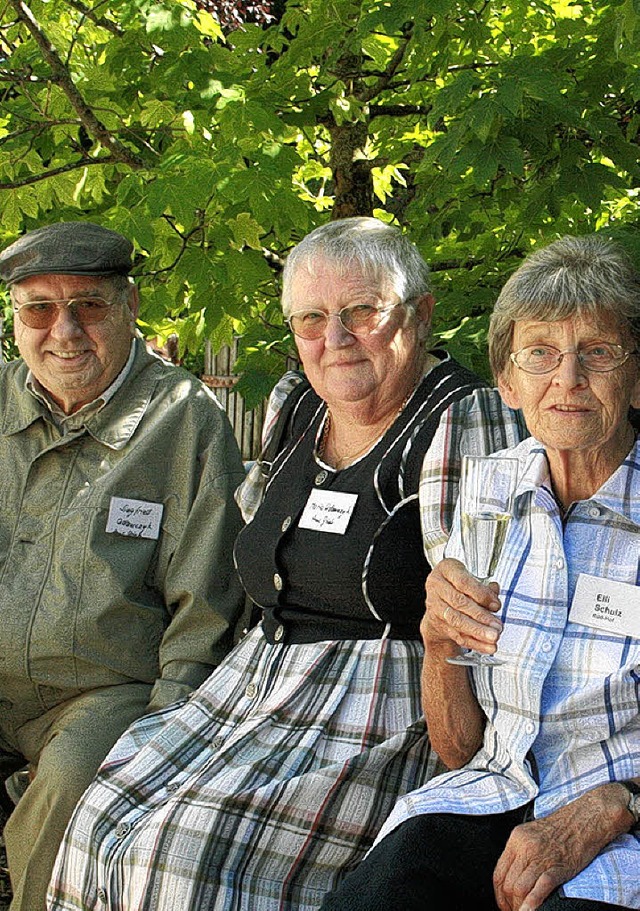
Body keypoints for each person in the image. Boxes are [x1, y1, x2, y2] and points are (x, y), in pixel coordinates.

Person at [47, 217, 525, 911]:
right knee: (100, 815)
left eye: (361, 311)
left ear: (420, 314)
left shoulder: (460, 416)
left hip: (380, 704)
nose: (334, 339)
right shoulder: (294, 403)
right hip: (257, 682)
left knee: (183, 850)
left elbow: (470, 616)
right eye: (311, 318)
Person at [321, 234, 640, 911]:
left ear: (637, 376)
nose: (568, 378)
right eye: (540, 353)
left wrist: (615, 805)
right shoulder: (493, 489)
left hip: (622, 822)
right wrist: (440, 646)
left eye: (599, 351)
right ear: (507, 380)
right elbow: (460, 749)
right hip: (491, 793)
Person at [0, 222, 246, 911]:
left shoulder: (183, 419)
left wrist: (165, 740)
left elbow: (207, 611)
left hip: (100, 696)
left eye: (89, 305)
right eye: (39, 308)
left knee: (76, 780)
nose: (65, 330)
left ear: (131, 306)